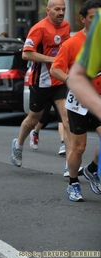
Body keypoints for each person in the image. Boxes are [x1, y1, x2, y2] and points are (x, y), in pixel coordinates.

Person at [11, 0, 71, 168]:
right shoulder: (39, 28)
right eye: (57, 9)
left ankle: (70, 164)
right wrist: (52, 59)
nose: (61, 12)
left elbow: (66, 49)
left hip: (60, 79)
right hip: (41, 81)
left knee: (66, 118)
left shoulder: (66, 26)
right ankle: (18, 145)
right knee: (33, 119)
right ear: (47, 10)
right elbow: (26, 54)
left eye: (63, 9)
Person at [63, 3, 101, 201]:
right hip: (79, 100)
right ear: (83, 19)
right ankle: (73, 183)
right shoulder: (72, 43)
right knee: (79, 147)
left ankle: (92, 169)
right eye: (93, 17)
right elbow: (56, 69)